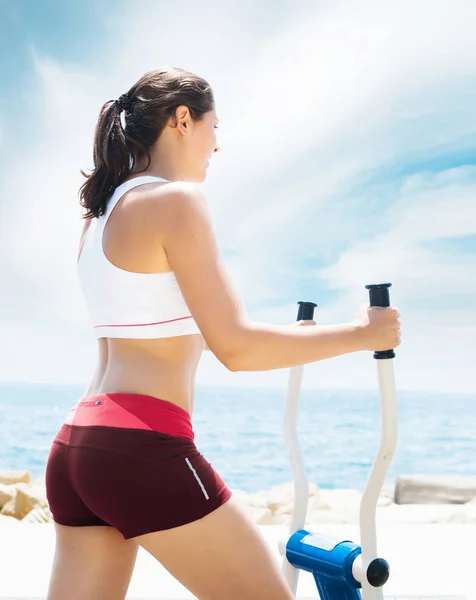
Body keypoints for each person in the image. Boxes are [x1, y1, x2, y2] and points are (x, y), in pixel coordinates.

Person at [44, 67, 401, 600]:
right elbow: (234, 347)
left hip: (78, 447)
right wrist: (363, 332)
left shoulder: (98, 219)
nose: (218, 143)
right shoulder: (175, 201)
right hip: (140, 446)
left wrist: (303, 332)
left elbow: (159, 327)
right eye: (215, 126)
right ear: (182, 120)